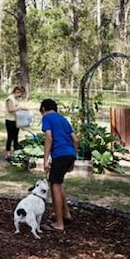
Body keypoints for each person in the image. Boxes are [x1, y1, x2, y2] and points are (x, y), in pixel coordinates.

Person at [39, 98, 79, 232]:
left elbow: (49, 138)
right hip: (69, 154)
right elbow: (75, 140)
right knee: (59, 182)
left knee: (54, 184)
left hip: (60, 155)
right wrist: (73, 159)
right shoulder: (63, 119)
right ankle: (66, 214)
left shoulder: (47, 117)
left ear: (43, 109)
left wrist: (45, 159)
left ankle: (59, 223)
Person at [4, 86, 26, 162]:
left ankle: (16, 153)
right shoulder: (10, 99)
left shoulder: (16, 99)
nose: (20, 96)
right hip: (10, 120)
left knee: (16, 137)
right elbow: (10, 109)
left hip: (15, 120)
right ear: (17, 92)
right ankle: (8, 153)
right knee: (10, 137)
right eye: (20, 94)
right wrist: (20, 108)